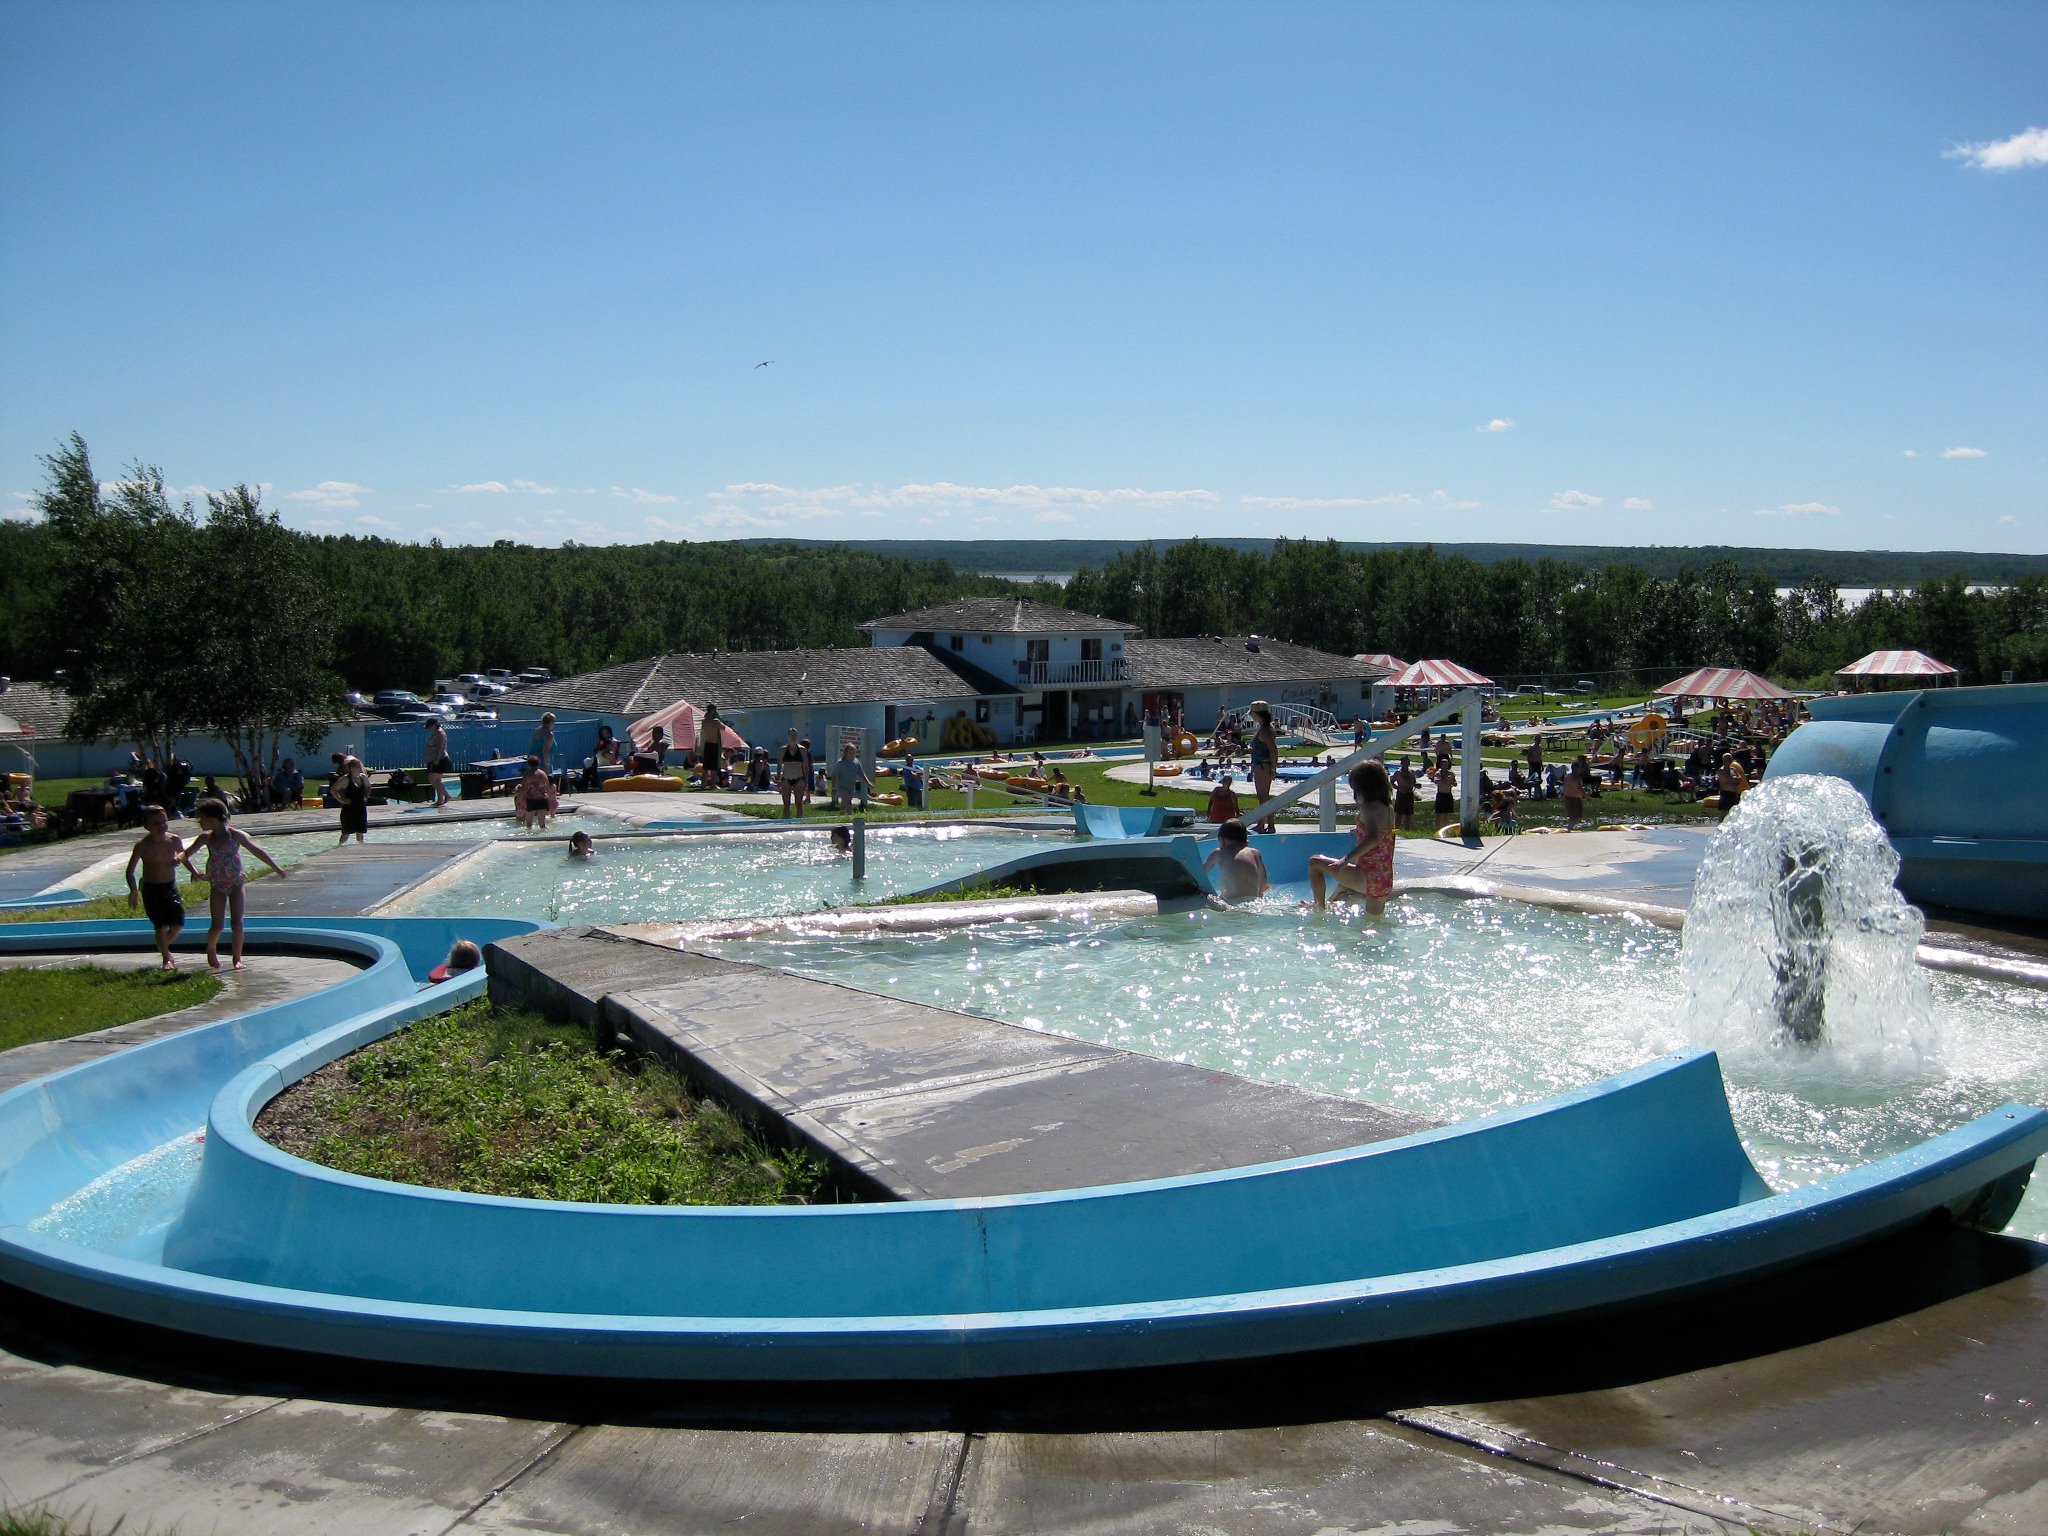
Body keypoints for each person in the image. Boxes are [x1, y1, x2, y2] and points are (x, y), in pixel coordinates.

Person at [182, 798, 286, 970]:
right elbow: (187, 853)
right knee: (217, 925)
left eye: (201, 819)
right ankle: (211, 948)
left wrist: (276, 867)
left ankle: (237, 957)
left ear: (212, 820)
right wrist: (179, 861)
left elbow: (256, 851)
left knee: (237, 923)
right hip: (217, 885)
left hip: (236, 883)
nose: (199, 822)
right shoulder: (205, 838)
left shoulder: (235, 835)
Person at [1307, 760, 1396, 914]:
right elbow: (1383, 836)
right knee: (1374, 924)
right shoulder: (1387, 808)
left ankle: (1319, 909)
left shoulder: (1368, 808)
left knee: (1314, 862)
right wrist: (1360, 831)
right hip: (1384, 880)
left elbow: (1373, 839)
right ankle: (1333, 900)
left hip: (1366, 877)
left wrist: (1345, 860)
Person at [125, 805, 188, 969]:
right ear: (146, 826)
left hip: (170, 887)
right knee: (160, 925)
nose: (161, 826)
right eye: (155, 824)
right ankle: (166, 958)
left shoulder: (174, 840)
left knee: (178, 923)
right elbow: (130, 871)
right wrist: (133, 891)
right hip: (151, 889)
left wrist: (195, 872)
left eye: (164, 822)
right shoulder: (142, 845)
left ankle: (162, 946)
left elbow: (185, 857)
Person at [1203, 817, 1269, 904]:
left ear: (1221, 840)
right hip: (1253, 902)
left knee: (1209, 898)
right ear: (1246, 841)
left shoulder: (1218, 853)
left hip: (1230, 903)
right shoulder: (1255, 853)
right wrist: (1260, 894)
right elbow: (1263, 880)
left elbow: (1201, 873)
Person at [1247, 700, 1279, 834]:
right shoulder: (1265, 727)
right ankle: (1262, 823)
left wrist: (1273, 769)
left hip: (1263, 767)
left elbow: (1273, 750)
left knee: (1263, 797)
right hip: (1261, 765)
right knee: (1263, 797)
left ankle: (1269, 825)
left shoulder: (1265, 730)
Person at [331, 752, 371, 844]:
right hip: (349, 809)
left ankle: (361, 848)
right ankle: (339, 848)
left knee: (360, 833)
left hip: (360, 808)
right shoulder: (346, 779)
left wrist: (366, 796)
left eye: (359, 766)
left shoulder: (362, 777)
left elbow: (368, 787)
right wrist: (341, 800)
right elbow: (333, 790)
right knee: (346, 833)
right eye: (357, 767)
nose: (359, 768)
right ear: (351, 768)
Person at [516, 754, 556, 830]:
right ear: (538, 764)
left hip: (531, 800)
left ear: (529, 764)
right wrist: (550, 800)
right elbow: (547, 788)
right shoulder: (543, 774)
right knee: (542, 824)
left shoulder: (527, 775)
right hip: (542, 800)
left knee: (529, 824)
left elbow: (524, 789)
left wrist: (519, 799)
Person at [831, 741, 871, 812]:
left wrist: (868, 782)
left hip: (851, 787)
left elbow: (861, 773)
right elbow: (834, 776)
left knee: (845, 802)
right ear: (846, 753)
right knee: (848, 802)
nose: (852, 755)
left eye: (854, 753)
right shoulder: (840, 763)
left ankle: (842, 814)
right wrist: (834, 788)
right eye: (850, 753)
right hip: (841, 787)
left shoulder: (856, 763)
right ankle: (851, 817)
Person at [777, 729, 808, 819]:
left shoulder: (802, 750)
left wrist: (806, 780)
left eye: (794, 735)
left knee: (799, 803)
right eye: (791, 735)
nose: (793, 737)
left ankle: (800, 822)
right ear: (788, 736)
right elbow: (779, 765)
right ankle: (786, 822)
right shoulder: (783, 750)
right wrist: (778, 778)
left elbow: (805, 766)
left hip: (798, 778)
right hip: (786, 778)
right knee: (786, 804)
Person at [424, 717, 454, 809]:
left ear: (434, 725)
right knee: (437, 780)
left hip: (439, 759)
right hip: (434, 759)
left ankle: (447, 795)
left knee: (433, 779)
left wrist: (437, 759)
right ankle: (440, 800)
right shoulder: (436, 733)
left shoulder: (440, 733)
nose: (428, 729)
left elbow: (441, 747)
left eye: (429, 727)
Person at [1716, 752, 1748, 820]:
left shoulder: (1733, 769)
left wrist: (1734, 780)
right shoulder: (1721, 770)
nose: (1730, 760)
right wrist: (1734, 780)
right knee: (1723, 811)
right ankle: (1720, 824)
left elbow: (1739, 778)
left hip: (1733, 793)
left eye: (1731, 758)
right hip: (1725, 793)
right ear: (1724, 760)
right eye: (1728, 759)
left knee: (1733, 811)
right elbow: (1729, 779)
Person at [1431, 758, 1457, 831]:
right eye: (1443, 764)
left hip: (1448, 794)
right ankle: (1437, 829)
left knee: (1446, 813)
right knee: (1439, 814)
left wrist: (1451, 781)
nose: (1445, 766)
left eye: (1446, 764)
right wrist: (1445, 779)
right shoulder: (1438, 773)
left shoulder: (1451, 773)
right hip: (1441, 794)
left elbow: (1455, 783)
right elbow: (1436, 781)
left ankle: (1445, 829)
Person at [1393, 756, 1418, 831]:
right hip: (1401, 794)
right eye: (1405, 762)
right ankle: (1396, 829)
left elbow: (1414, 782)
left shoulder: (1412, 772)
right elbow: (1392, 783)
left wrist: (1417, 785)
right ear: (1401, 763)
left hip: (1409, 794)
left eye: (1408, 762)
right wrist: (1399, 788)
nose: (1406, 764)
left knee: (1408, 813)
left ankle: (1407, 829)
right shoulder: (1398, 772)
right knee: (1399, 814)